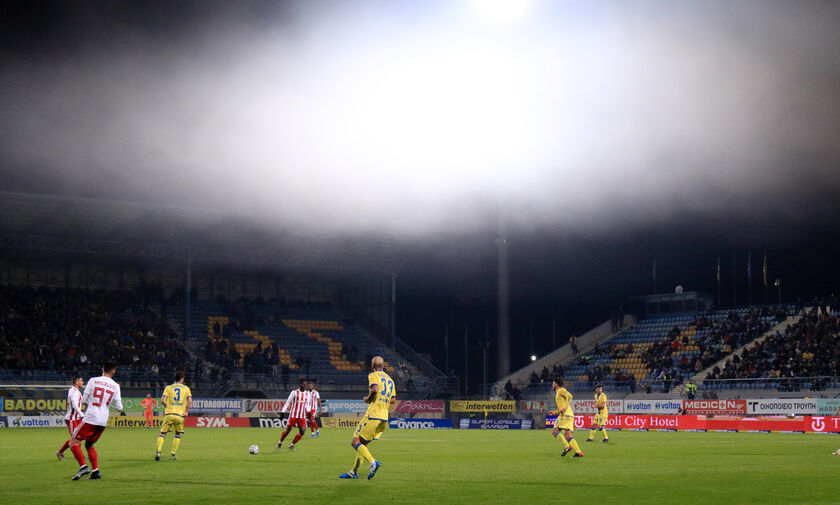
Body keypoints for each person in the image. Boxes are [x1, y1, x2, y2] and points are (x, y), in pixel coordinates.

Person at [339, 356, 396, 480]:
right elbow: (393, 400)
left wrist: (367, 398)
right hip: (383, 418)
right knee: (363, 444)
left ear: (372, 366)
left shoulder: (373, 375)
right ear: (384, 366)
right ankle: (353, 472)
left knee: (355, 442)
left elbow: (375, 390)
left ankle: (373, 462)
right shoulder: (390, 380)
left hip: (373, 415)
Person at [69, 362, 124, 480]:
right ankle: (96, 472)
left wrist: (93, 403)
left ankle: (83, 466)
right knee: (89, 444)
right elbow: (120, 408)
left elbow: (83, 400)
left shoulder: (93, 380)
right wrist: (107, 404)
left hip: (91, 417)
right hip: (103, 420)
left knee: (73, 442)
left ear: (103, 368)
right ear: (113, 371)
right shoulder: (116, 386)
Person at [155, 370, 192, 461]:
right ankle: (172, 454)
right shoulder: (186, 388)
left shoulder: (168, 387)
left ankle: (158, 452)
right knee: (177, 434)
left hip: (169, 414)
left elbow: (163, 400)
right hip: (180, 415)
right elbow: (190, 401)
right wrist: (186, 412)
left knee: (162, 434)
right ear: (182, 379)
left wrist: (167, 407)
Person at [547, 377, 583, 457]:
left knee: (555, 431)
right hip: (566, 414)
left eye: (553, 383)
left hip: (566, 415)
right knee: (568, 435)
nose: (552, 385)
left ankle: (567, 447)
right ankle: (578, 452)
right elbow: (562, 408)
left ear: (556, 384)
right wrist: (554, 412)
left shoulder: (561, 390)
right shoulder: (558, 392)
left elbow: (570, 396)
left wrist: (565, 408)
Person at [57, 376, 84, 461]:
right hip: (72, 419)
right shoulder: (73, 392)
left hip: (77, 418)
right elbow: (74, 405)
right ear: (76, 382)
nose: (82, 382)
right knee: (74, 438)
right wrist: (82, 414)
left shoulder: (77, 391)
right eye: (81, 381)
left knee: (79, 437)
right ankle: (60, 452)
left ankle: (80, 455)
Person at [278, 379, 310, 451]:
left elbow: (307, 404)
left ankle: (291, 445)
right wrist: (283, 412)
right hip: (293, 416)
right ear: (300, 384)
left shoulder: (307, 394)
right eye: (303, 384)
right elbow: (288, 402)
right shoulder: (294, 392)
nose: (304, 385)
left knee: (302, 432)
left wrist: (309, 412)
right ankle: (280, 442)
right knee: (287, 431)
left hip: (302, 416)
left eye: (305, 384)